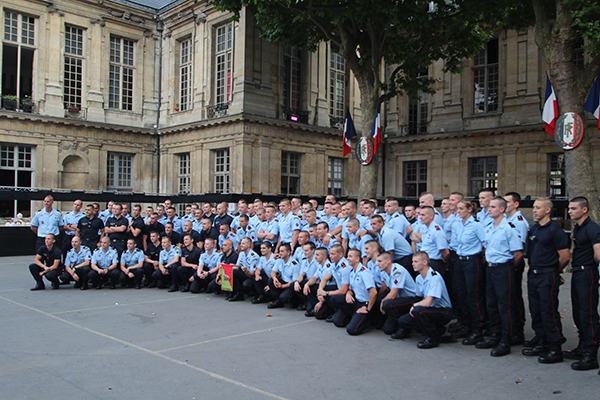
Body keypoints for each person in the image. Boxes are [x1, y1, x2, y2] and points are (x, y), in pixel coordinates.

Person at [521, 198, 569, 363]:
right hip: (534, 274)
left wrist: (555, 271)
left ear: (548, 210)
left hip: (547, 274)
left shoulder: (555, 231)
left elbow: (564, 257)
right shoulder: (535, 229)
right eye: (534, 207)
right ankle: (541, 342)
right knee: (536, 310)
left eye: (538, 208)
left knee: (548, 311)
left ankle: (555, 347)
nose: (534, 211)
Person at [476, 197, 523, 357]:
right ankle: (494, 334)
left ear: (502, 209)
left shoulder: (509, 228)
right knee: (491, 304)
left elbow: (517, 254)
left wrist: (508, 267)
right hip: (490, 268)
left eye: (493, 207)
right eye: (489, 207)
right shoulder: (489, 227)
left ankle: (505, 340)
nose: (489, 210)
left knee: (505, 305)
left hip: (503, 269)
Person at [564, 197, 600, 372]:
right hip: (578, 272)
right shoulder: (578, 228)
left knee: (587, 313)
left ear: (584, 210)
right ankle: (583, 346)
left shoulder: (592, 228)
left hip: (587, 272)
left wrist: (590, 266)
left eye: (573, 208)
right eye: (569, 208)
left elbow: (598, 254)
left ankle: (591, 354)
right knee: (578, 311)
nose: (570, 211)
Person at [396, 252, 452, 349]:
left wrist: (414, 306)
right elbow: (420, 297)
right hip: (430, 309)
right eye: (413, 261)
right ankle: (436, 329)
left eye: (416, 261)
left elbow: (428, 301)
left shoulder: (434, 277)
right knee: (403, 320)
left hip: (443, 310)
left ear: (425, 262)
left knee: (418, 311)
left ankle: (433, 338)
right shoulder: (419, 278)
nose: (413, 264)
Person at [451, 199, 487, 344]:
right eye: (457, 208)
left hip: (472, 261)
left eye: (461, 208)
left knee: (473, 295)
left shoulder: (476, 226)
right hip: (460, 260)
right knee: (461, 293)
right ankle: (465, 324)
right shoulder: (457, 224)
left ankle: (477, 329)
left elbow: (485, 243)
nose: (458, 211)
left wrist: (482, 258)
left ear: (470, 209)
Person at [329, 248, 378, 335]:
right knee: (338, 321)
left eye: (350, 256)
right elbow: (351, 288)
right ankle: (355, 316)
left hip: (365, 303)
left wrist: (368, 308)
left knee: (352, 330)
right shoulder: (352, 271)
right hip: (356, 301)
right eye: (347, 256)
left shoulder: (364, 272)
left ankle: (368, 318)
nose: (347, 258)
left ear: (357, 259)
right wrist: (348, 294)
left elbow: (373, 292)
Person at [504, 192, 530, 345]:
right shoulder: (509, 220)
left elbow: (519, 249)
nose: (505, 205)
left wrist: (512, 266)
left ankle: (518, 330)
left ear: (516, 204)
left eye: (508, 202)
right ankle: (513, 327)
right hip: (509, 262)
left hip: (514, 263)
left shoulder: (518, 221)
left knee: (514, 296)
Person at [377, 252, 420, 337]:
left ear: (388, 261)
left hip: (412, 298)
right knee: (388, 330)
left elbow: (393, 294)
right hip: (400, 298)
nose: (378, 264)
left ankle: (404, 326)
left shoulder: (397, 271)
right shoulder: (383, 272)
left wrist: (382, 301)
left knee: (386, 303)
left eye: (380, 261)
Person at [315, 245, 351, 321]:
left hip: (348, 294)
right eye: (330, 254)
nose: (330, 256)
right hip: (340, 290)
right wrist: (320, 290)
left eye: (333, 254)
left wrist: (326, 293)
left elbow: (344, 290)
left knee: (339, 322)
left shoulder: (345, 267)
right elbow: (324, 279)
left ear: (341, 254)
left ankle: (344, 312)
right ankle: (335, 310)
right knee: (323, 287)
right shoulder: (334, 264)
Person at [266, 243, 300, 309]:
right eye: (279, 251)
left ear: (288, 252)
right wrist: (275, 278)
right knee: (270, 280)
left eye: (282, 251)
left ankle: (295, 301)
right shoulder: (279, 260)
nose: (280, 253)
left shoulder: (295, 264)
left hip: (290, 285)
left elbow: (294, 281)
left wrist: (282, 286)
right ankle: (278, 301)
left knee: (284, 297)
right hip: (283, 281)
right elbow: (273, 272)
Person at [230, 237, 260, 301]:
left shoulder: (254, 256)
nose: (240, 245)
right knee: (232, 271)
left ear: (248, 245)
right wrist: (230, 266)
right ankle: (238, 294)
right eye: (241, 243)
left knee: (246, 284)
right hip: (244, 273)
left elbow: (252, 273)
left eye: (243, 243)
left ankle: (256, 294)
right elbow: (238, 266)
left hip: (252, 276)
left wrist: (246, 270)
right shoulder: (241, 253)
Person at [293, 242, 319, 311]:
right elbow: (301, 275)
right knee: (294, 284)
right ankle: (306, 301)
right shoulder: (304, 260)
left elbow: (316, 278)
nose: (304, 252)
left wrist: (307, 284)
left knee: (309, 311)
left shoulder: (317, 261)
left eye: (306, 250)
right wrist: (297, 282)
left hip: (316, 284)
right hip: (309, 283)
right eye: (304, 250)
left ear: (313, 250)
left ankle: (315, 303)